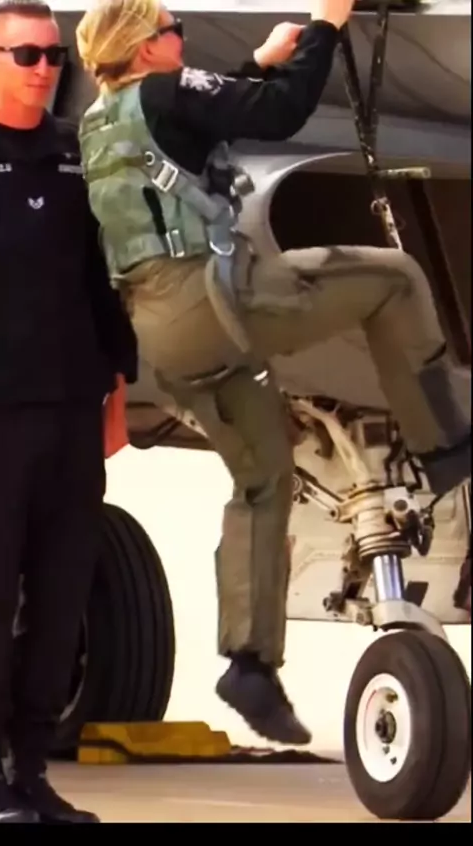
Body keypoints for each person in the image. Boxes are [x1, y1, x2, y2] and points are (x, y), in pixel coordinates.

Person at [75, 0, 471, 747]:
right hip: (219, 302)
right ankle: (447, 450)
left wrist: (256, 62)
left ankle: (250, 666)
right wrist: (326, 25)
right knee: (395, 279)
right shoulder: (164, 93)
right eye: (171, 31)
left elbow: (195, 120)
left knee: (262, 481)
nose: (180, 38)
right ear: (143, 47)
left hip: (164, 334)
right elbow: (282, 114)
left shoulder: (104, 119)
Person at [0, 0, 138, 824]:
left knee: (57, 604)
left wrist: (119, 389)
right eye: (26, 55)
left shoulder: (75, 154)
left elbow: (99, 284)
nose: (45, 70)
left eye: (55, 57)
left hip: (71, 417)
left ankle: (30, 774)